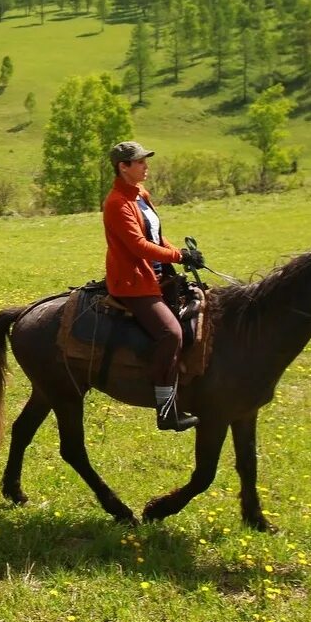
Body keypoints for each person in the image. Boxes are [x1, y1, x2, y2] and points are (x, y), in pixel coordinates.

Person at [102, 140, 204, 432]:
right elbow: (138, 246)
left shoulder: (141, 195)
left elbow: (157, 239)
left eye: (145, 161)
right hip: (133, 283)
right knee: (170, 333)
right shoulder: (116, 203)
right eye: (140, 162)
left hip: (158, 275)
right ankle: (166, 410)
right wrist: (178, 255)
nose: (146, 166)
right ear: (124, 167)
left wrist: (184, 256)